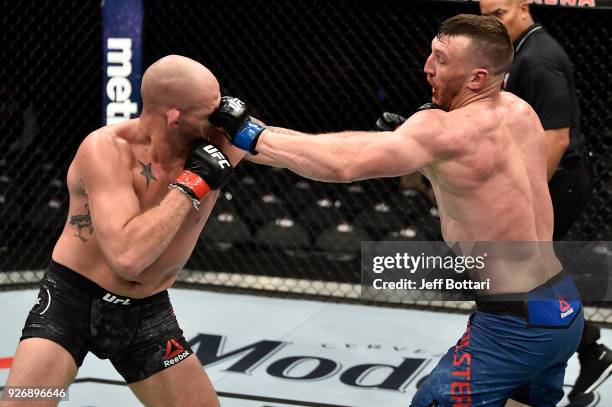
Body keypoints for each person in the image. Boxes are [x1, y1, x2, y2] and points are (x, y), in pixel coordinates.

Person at [210, 14, 584, 406]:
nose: (426, 66)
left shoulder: (441, 131)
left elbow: (342, 164)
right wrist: (261, 134)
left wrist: (251, 136)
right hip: (560, 305)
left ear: (476, 78)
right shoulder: (520, 111)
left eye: (440, 59)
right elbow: (477, 169)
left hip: (515, 327)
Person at [1, 55, 247, 407]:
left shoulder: (217, 137)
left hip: (146, 314)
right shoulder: (106, 148)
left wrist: (354, 158)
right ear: (175, 114)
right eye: (209, 110)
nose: (217, 117)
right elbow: (128, 258)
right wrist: (193, 183)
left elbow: (320, 157)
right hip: (71, 304)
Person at [479, 0, 610, 400]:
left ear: (523, 7)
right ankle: (588, 350)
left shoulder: (538, 58)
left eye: (499, 14)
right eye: (486, 17)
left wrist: (528, 193)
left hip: (559, 180)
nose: (493, 24)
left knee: (525, 274)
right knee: (533, 276)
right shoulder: (521, 51)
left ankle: (563, 358)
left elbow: (557, 137)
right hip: (552, 178)